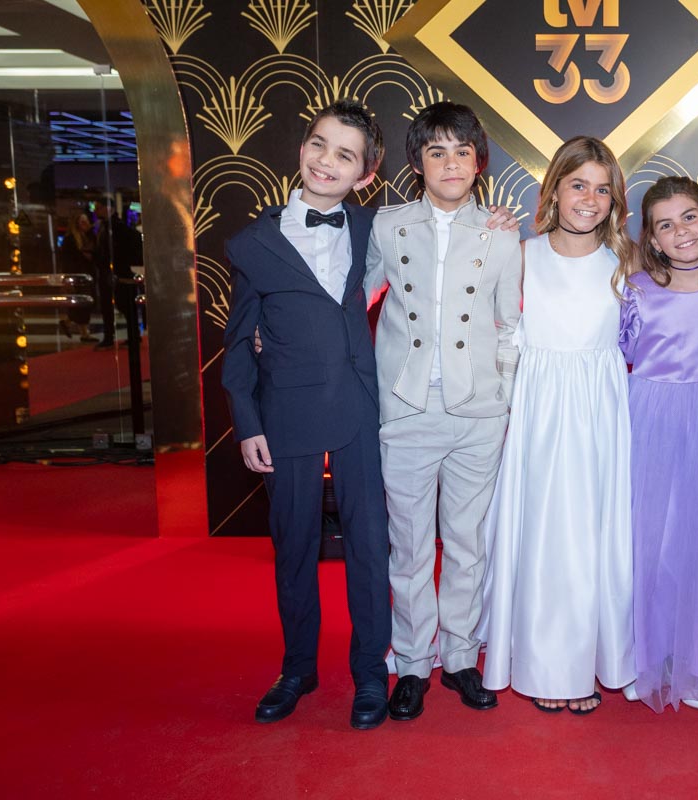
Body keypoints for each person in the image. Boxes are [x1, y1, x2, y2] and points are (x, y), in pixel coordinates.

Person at [220, 100, 392, 730]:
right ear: (301, 149)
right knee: (293, 546)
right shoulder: (253, 243)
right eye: (319, 144)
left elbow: (442, 236)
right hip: (284, 411)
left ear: (364, 175)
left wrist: (496, 222)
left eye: (345, 155)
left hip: (359, 406)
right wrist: (247, 421)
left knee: (369, 547)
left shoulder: (378, 229)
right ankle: (297, 669)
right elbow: (237, 342)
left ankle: (370, 673)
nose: (326, 161)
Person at [364, 101, 522, 721]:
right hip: (406, 407)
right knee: (407, 547)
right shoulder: (387, 227)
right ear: (418, 163)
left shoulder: (502, 234)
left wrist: (502, 402)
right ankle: (411, 662)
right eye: (437, 152)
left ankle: (458, 657)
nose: (451, 163)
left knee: (466, 544)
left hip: (477, 411)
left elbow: (509, 325)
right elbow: (352, 300)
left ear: (478, 162)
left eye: (462, 151)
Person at [480, 136, 637, 714]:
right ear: (553, 190)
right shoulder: (520, 253)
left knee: (594, 537)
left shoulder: (629, 262)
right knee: (546, 534)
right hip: (539, 411)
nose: (590, 199)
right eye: (578, 185)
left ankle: (592, 658)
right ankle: (547, 665)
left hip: (601, 411)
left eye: (602, 189)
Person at [618, 176, 698, 713]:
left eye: (689, 217)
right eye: (665, 225)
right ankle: (644, 656)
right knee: (650, 538)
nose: (681, 231)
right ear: (652, 238)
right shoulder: (637, 290)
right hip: (649, 417)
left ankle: (694, 663)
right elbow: (618, 353)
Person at [57, 211, 99, 342]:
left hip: (87, 274)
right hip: (77, 275)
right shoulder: (71, 239)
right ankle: (82, 332)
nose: (85, 224)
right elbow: (67, 261)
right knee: (83, 303)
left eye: (87, 221)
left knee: (86, 303)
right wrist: (68, 279)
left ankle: (71, 324)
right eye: (82, 222)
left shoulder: (88, 237)